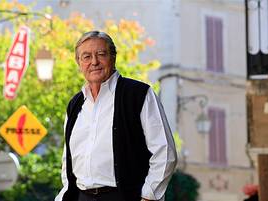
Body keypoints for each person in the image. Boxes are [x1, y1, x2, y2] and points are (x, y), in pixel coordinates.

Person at [55, 31, 177, 201]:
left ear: (113, 57)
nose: (94, 62)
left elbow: (164, 151)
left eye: (101, 54)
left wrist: (149, 195)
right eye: (87, 56)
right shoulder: (74, 104)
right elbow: (68, 160)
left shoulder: (139, 94)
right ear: (79, 63)